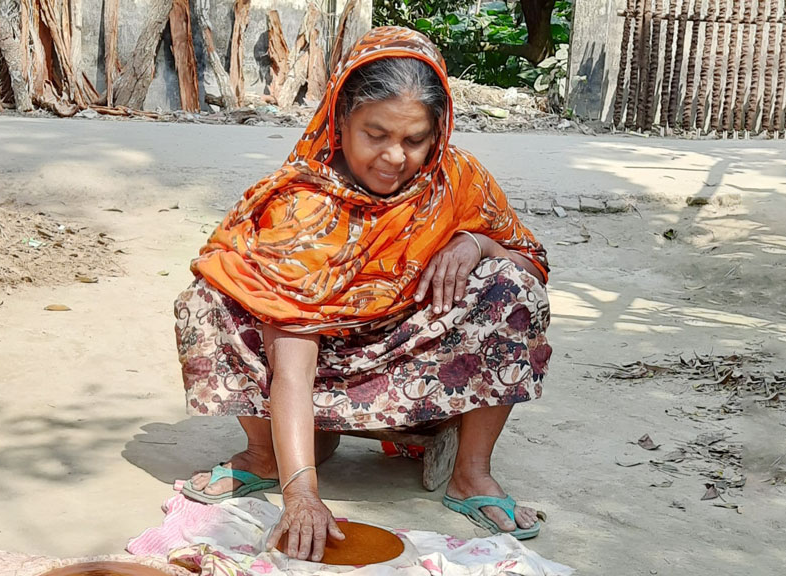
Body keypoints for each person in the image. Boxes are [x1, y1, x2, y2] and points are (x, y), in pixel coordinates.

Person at [174, 26, 552, 563]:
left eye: (415, 139)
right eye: (376, 134)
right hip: (311, 371)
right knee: (210, 298)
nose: (395, 157)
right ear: (340, 118)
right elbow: (294, 363)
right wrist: (300, 492)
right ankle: (271, 457)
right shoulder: (302, 205)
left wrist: (476, 242)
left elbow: (531, 262)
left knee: (512, 288)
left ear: (438, 133)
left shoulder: (458, 181)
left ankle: (470, 472)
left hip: (411, 369)